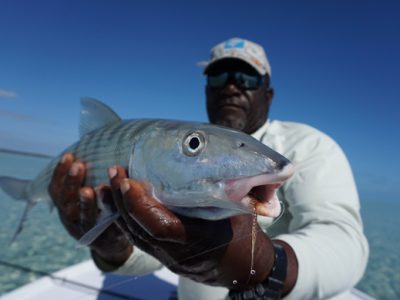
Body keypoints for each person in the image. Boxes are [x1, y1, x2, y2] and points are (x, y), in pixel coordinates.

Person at [49, 38, 369, 299]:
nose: (231, 86)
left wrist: (265, 264)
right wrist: (113, 245)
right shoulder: (173, 164)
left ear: (267, 94)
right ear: (206, 91)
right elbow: (155, 254)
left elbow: (344, 241)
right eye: (218, 77)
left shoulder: (309, 146)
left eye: (246, 78)